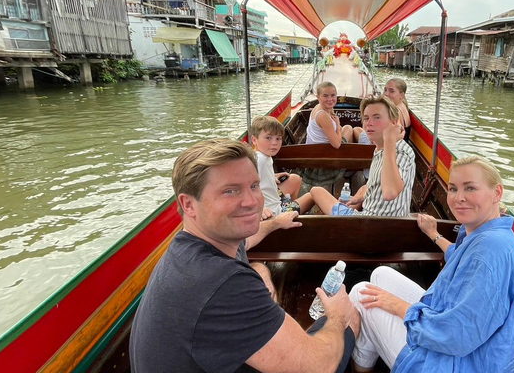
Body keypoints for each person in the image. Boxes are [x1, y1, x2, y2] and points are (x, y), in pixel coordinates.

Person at [130, 139, 359, 373]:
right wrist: (338, 317)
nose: (252, 202)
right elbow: (318, 368)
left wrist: (272, 230)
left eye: (254, 186)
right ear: (188, 204)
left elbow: (245, 241)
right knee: (353, 316)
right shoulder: (221, 284)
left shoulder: (196, 245)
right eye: (230, 191)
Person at [347, 156, 514, 372]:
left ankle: (361, 363)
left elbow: (457, 336)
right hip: (457, 336)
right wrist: (433, 234)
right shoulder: (489, 233)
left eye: (470, 188)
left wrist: (397, 306)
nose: (459, 198)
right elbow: (459, 258)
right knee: (380, 275)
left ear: (497, 193)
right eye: (453, 189)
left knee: (361, 293)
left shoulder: (490, 251)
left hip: (457, 363)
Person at [298, 95, 415, 217]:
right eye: (366, 118)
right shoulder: (380, 148)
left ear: (394, 121)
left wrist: (390, 140)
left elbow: (389, 193)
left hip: (368, 225)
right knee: (362, 190)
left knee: (316, 191)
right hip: (371, 219)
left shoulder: (400, 151)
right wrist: (359, 198)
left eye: (377, 117)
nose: (369, 123)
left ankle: (287, 213)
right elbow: (375, 185)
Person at [250, 115, 312, 215]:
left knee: (295, 178)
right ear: (254, 140)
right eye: (268, 138)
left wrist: (271, 176)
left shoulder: (263, 156)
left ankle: (291, 205)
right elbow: (247, 186)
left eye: (278, 138)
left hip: (271, 201)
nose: (274, 143)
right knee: (312, 195)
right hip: (274, 211)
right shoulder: (260, 160)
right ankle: (290, 214)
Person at [353, 78, 410, 143]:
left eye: (391, 91)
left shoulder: (395, 111)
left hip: (383, 145)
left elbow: (391, 137)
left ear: (402, 95)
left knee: (355, 130)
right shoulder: (403, 106)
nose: (386, 93)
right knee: (358, 130)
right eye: (385, 90)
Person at [307, 81, 354, 147]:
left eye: (333, 95)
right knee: (348, 128)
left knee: (349, 129)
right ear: (318, 97)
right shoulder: (322, 116)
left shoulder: (320, 107)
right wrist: (337, 125)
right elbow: (337, 145)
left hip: (313, 147)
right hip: (323, 151)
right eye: (325, 96)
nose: (330, 99)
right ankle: (349, 155)